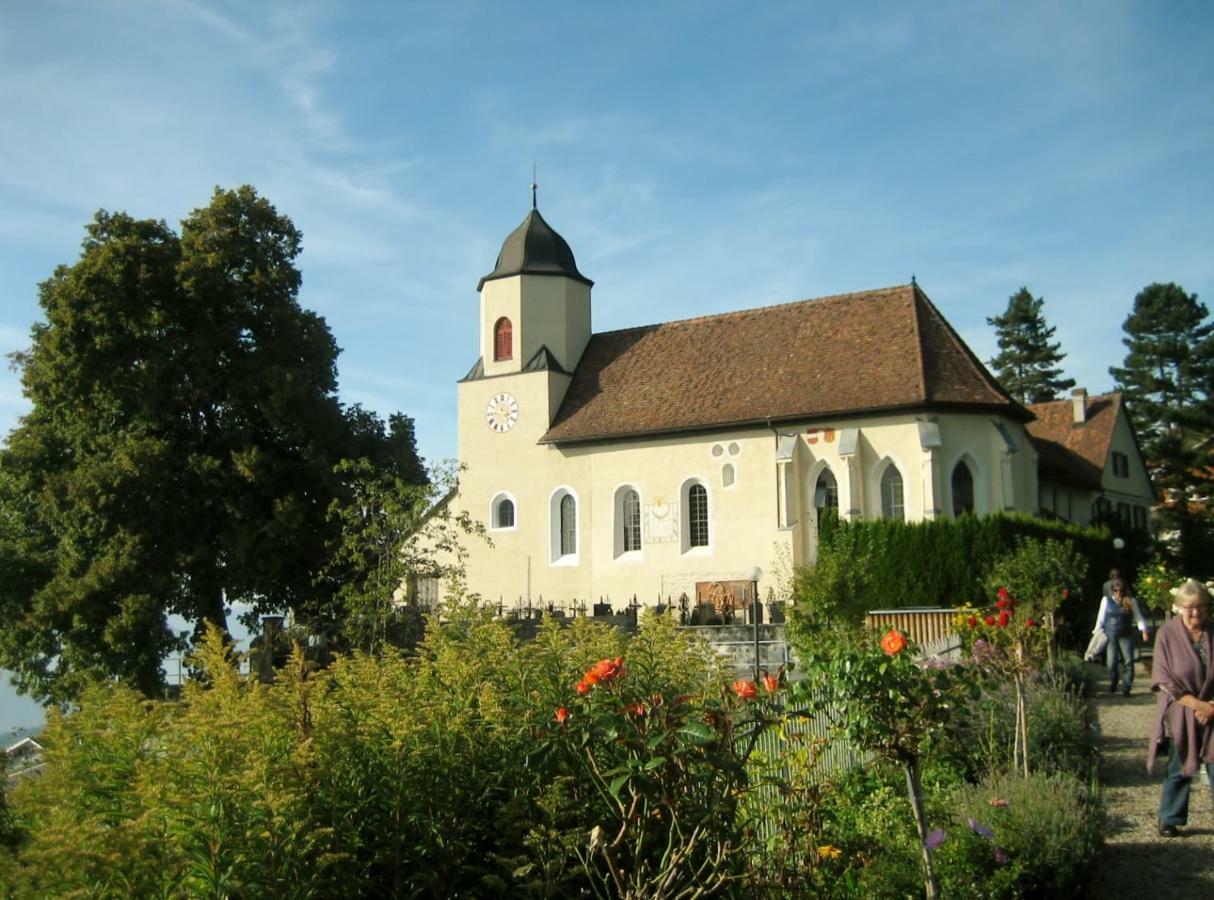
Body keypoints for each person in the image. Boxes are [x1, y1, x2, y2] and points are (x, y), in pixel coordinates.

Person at [1148, 579, 1214, 837]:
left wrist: (1211, 707)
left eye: (1199, 607)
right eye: (1189, 607)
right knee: (1179, 766)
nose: (1195, 612)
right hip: (1181, 710)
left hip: (1213, 709)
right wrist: (1198, 705)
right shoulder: (1166, 634)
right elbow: (1163, 680)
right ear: (1178, 608)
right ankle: (1169, 817)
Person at [1093, 578, 1150, 695]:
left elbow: (1138, 616)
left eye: (1121, 591)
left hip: (1126, 633)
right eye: (1116, 590)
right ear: (1112, 591)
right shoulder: (1106, 601)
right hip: (1111, 634)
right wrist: (1096, 632)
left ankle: (1127, 687)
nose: (1118, 593)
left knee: (1128, 661)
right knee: (1111, 662)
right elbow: (1101, 618)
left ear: (1125, 591)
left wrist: (1143, 630)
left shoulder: (1130, 601)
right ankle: (1114, 681)